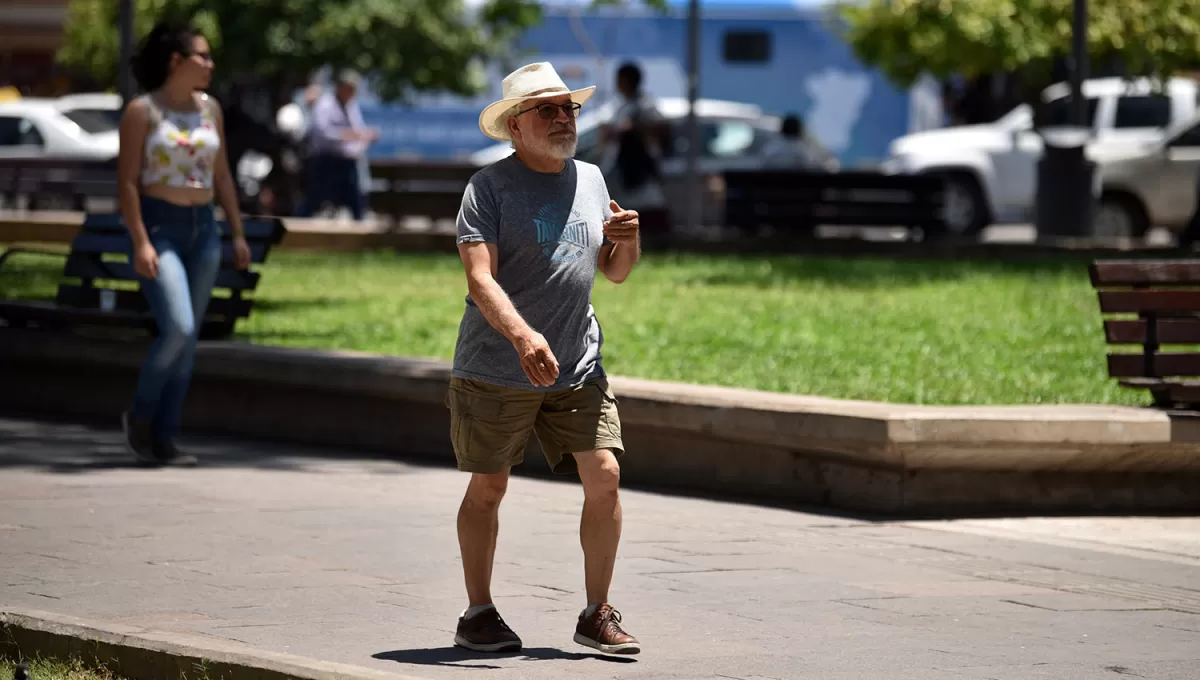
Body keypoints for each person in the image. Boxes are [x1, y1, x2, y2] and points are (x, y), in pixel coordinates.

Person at [447, 62, 642, 656]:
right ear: (514, 126)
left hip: (578, 363)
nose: (563, 119)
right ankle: (478, 612)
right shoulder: (488, 189)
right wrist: (524, 338)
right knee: (489, 486)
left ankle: (595, 613)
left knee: (605, 476)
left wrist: (628, 242)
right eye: (548, 110)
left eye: (569, 109)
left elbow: (612, 272)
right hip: (497, 364)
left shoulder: (589, 177)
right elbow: (480, 281)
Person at [116, 19, 251, 466]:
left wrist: (236, 232)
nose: (210, 64)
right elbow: (128, 183)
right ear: (177, 61)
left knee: (187, 341)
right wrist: (140, 241)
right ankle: (140, 415)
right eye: (203, 55)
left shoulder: (210, 109)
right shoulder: (143, 111)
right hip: (160, 227)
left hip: (204, 228)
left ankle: (166, 439)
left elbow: (223, 175)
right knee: (179, 328)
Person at [600, 62, 671, 240]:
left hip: (640, 167)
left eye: (621, 80)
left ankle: (654, 239)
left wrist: (634, 129)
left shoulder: (645, 106)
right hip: (620, 166)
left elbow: (662, 129)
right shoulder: (619, 105)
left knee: (648, 203)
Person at [303, 70, 378, 221]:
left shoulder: (351, 105)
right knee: (315, 199)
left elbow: (357, 129)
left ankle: (360, 230)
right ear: (340, 87)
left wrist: (364, 136)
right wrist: (350, 135)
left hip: (347, 160)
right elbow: (322, 133)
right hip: (326, 159)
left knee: (355, 198)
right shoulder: (325, 104)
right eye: (350, 88)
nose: (353, 93)